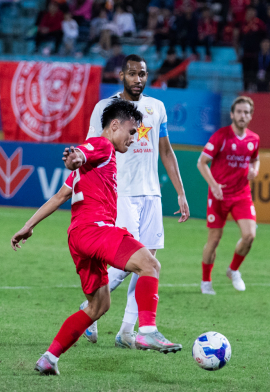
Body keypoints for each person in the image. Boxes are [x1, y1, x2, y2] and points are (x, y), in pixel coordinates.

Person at [11, 100, 182, 376]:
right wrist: (74, 156)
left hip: (77, 238)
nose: (134, 137)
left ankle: (49, 358)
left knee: (99, 305)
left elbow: (59, 196)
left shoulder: (93, 164)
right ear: (115, 125)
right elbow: (81, 153)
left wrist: (28, 225)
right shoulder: (102, 146)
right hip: (95, 230)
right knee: (150, 264)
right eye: (131, 130)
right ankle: (147, 330)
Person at [78, 54, 190, 348]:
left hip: (152, 195)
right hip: (121, 194)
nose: (138, 79)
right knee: (126, 264)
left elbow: (166, 151)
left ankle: (128, 331)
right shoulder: (105, 108)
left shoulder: (157, 108)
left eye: (142, 73)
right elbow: (93, 148)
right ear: (122, 76)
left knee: (148, 264)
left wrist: (179, 191)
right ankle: (89, 310)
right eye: (132, 73)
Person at [196, 96, 260, 295]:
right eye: (239, 111)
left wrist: (255, 170)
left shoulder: (254, 139)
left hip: (241, 194)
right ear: (232, 114)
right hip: (219, 195)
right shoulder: (221, 136)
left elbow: (255, 159)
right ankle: (206, 281)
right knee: (214, 240)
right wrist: (214, 185)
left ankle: (233, 270)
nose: (243, 115)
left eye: (247, 112)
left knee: (249, 235)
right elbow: (201, 162)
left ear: (250, 116)